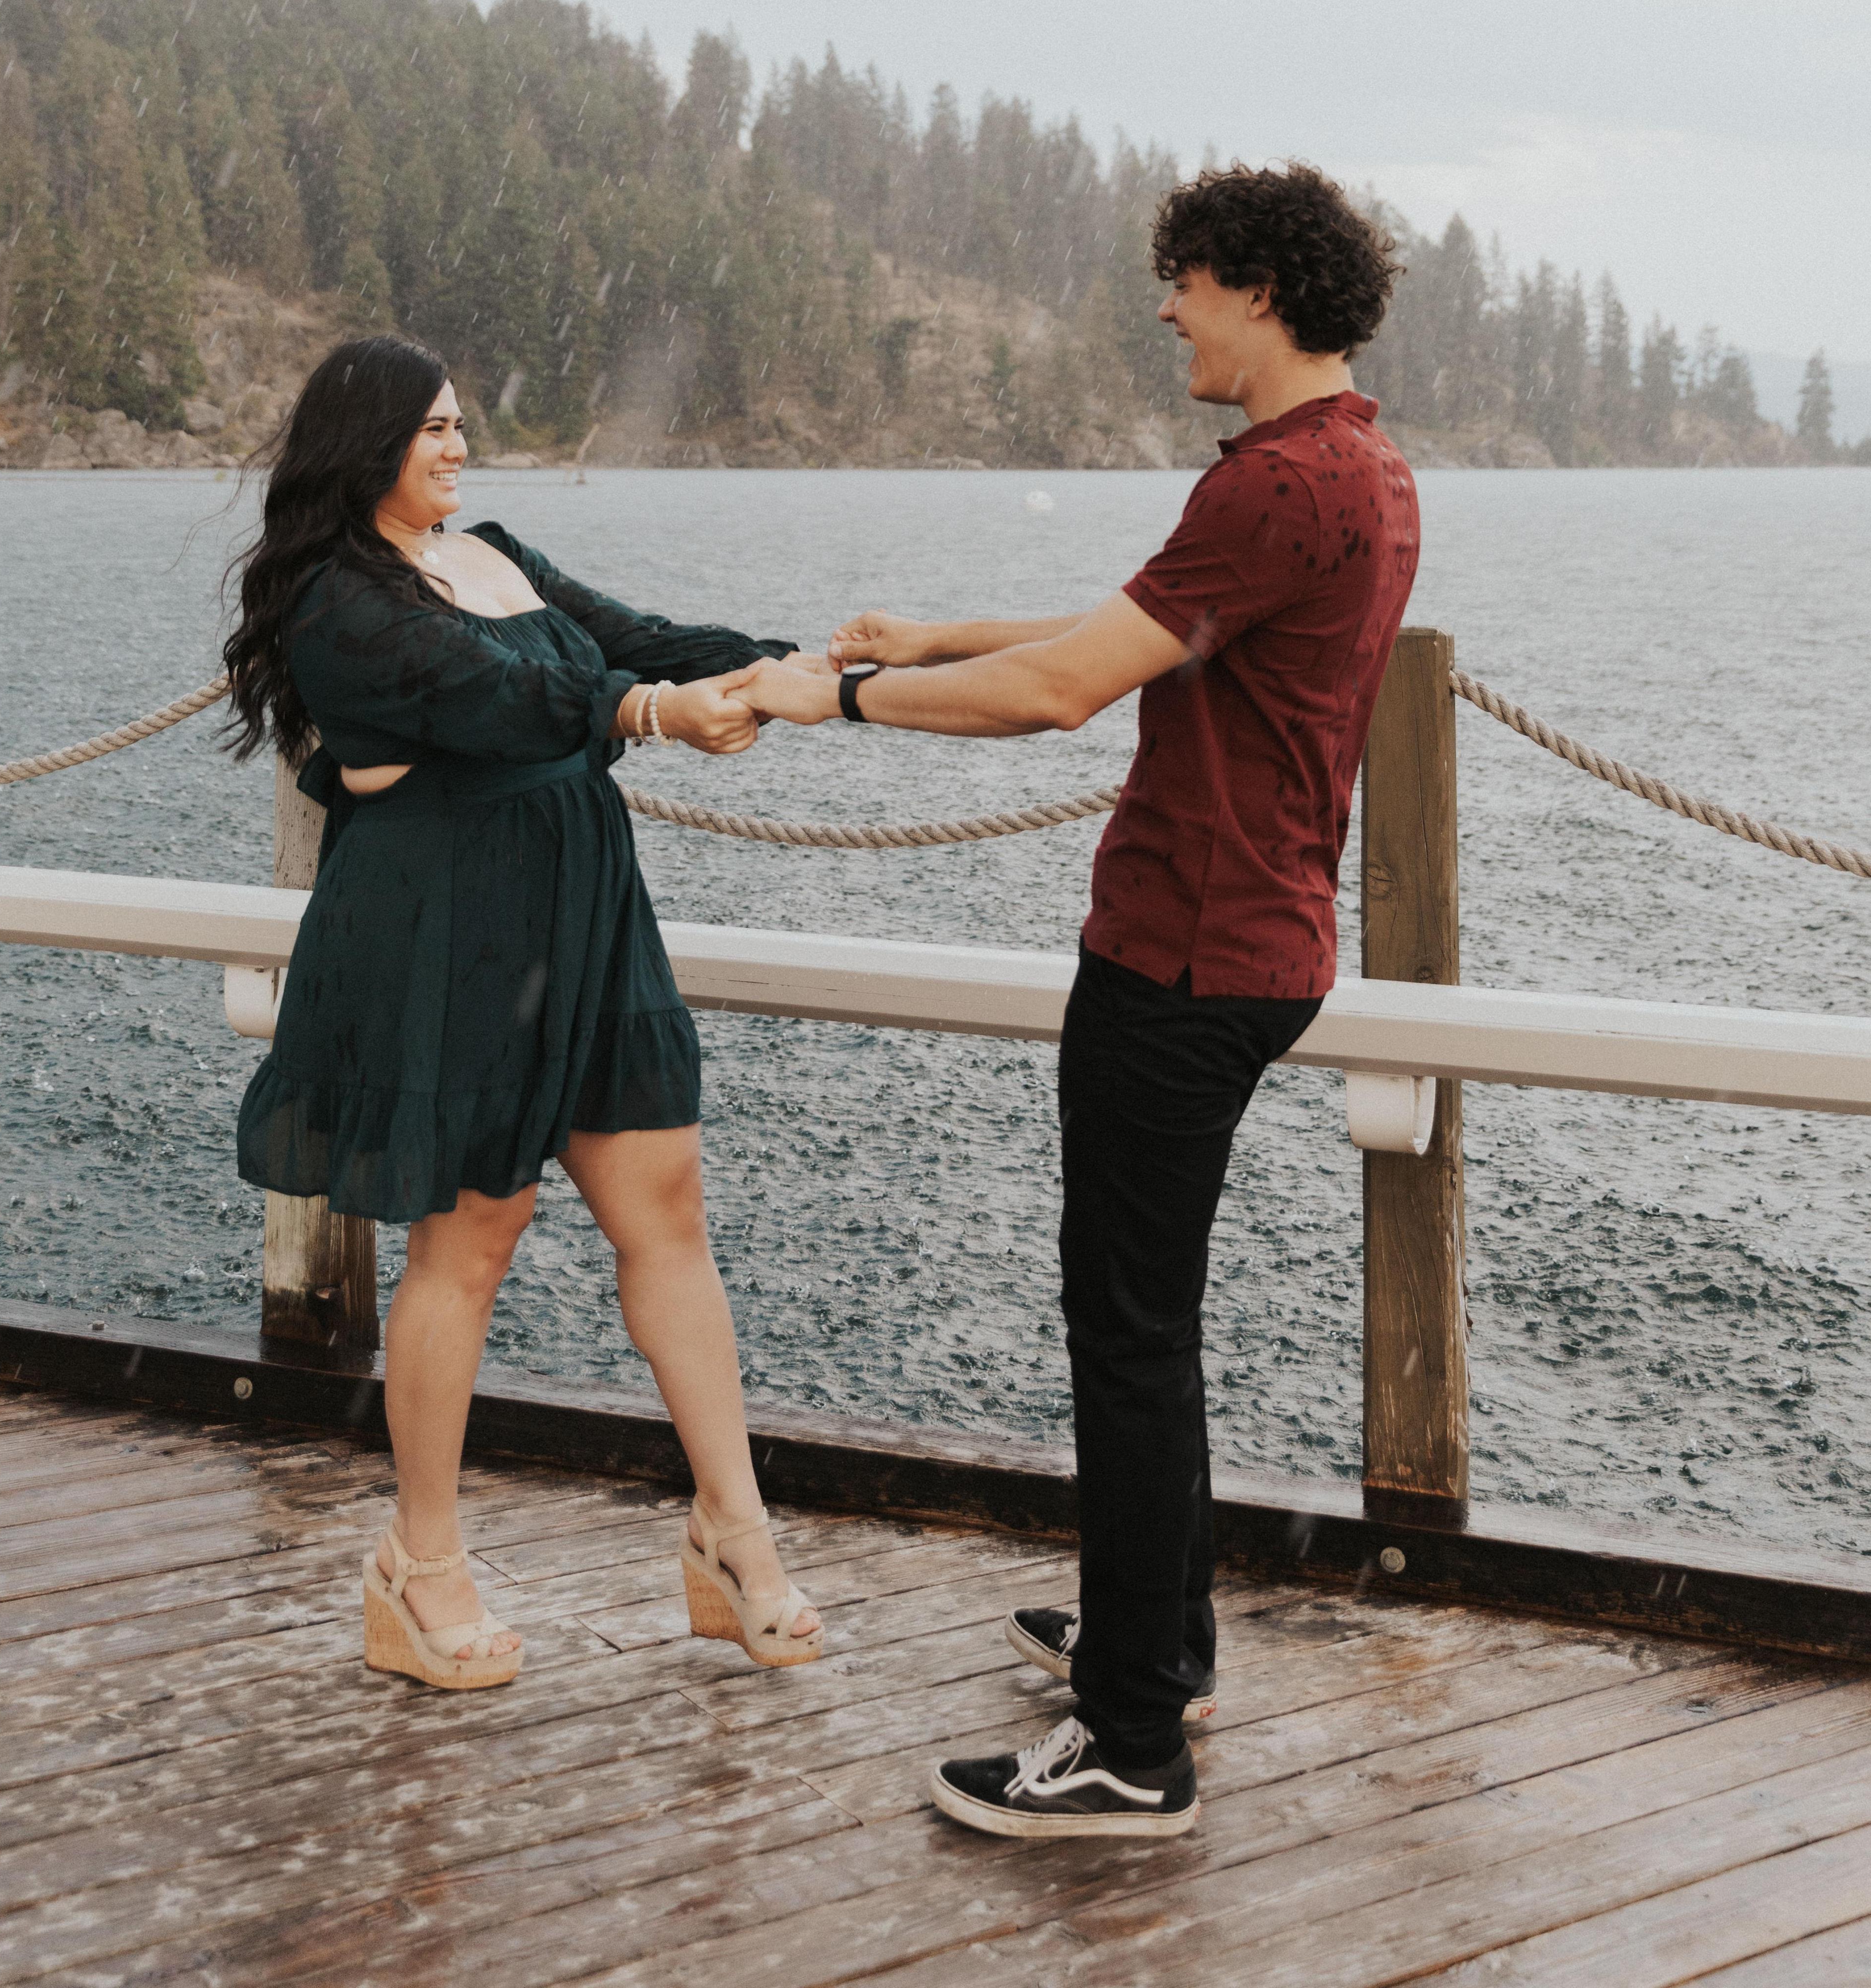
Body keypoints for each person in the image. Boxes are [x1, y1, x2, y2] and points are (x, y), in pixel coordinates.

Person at [737, 162, 1416, 1836]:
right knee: (1153, 1325)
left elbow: (1061, 693)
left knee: (1122, 1337)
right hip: (1261, 948)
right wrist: (935, 627)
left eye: (1180, 282)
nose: (1167, 311)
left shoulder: (1272, 486)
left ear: (1253, 287)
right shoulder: (1357, 469)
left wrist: (839, 695)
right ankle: (1154, 1644)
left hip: (1180, 963)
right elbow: (1133, 632)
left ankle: (1130, 1743)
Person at [224, 336, 822, 1693]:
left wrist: (790, 666)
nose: (454, 448)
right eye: (429, 429)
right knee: (475, 1235)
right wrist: (653, 714)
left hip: (586, 913)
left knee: (666, 1207)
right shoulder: (335, 602)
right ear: (359, 441)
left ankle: (733, 1536)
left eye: (460, 427)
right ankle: (419, 1567)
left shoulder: (492, 551)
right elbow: (511, 695)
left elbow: (626, 640)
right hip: (454, 929)